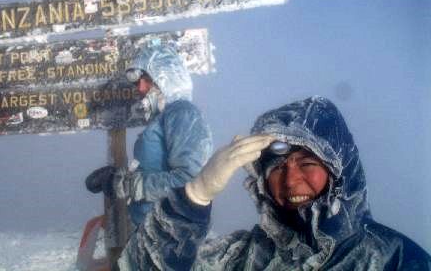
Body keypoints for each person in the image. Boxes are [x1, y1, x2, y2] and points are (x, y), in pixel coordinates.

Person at [118, 96, 431, 270]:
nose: (292, 180)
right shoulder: (241, 258)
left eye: (307, 164)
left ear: (341, 171)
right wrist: (194, 197)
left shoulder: (395, 259)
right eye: (277, 168)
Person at [85, 44, 213, 227]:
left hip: (173, 235)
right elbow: (153, 169)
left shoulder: (183, 114)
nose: (141, 88)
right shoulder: (166, 116)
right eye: (138, 83)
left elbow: (191, 182)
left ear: (166, 77)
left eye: (146, 80)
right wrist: (117, 178)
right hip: (154, 229)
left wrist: (130, 185)